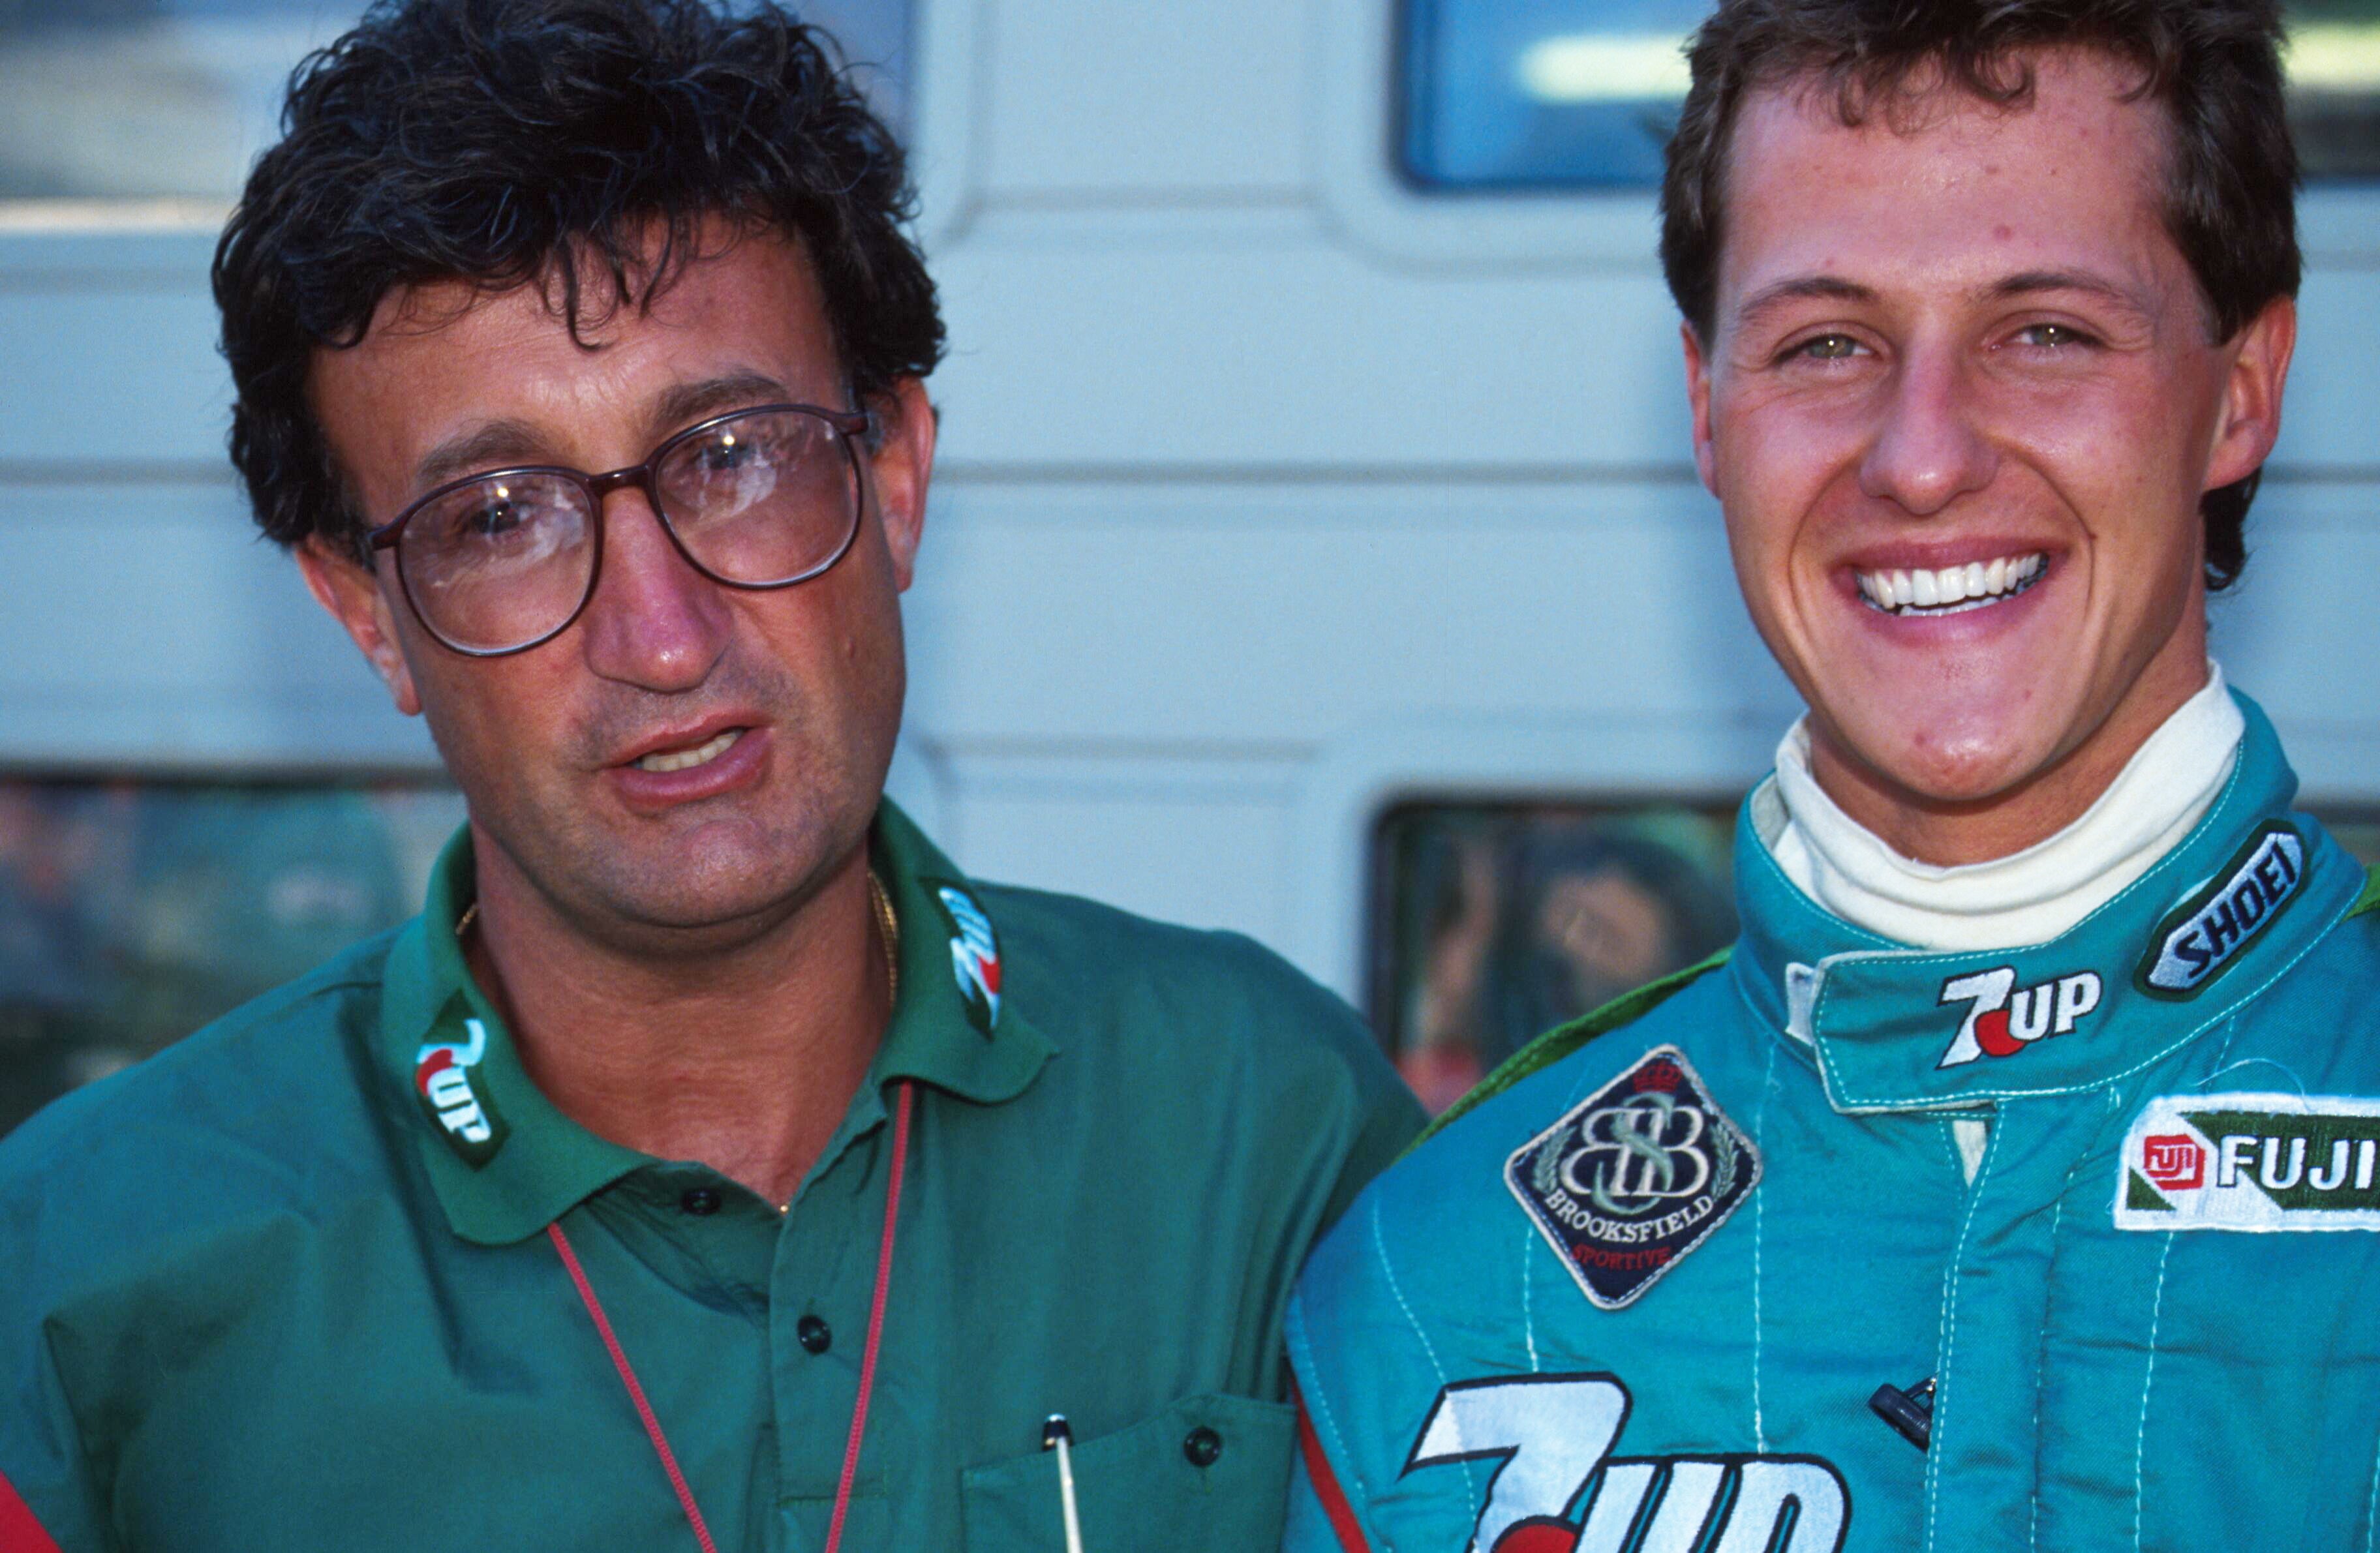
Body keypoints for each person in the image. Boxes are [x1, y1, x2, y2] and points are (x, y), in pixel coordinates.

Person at [0, 2, 1424, 1547]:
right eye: (498, 517)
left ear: (894, 478)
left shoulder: (1257, 1119)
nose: (660, 636)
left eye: (732, 455)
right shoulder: (88, 1266)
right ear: (366, 616)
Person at [1283, 2, 2380, 1548]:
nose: (1922, 457)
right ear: (1708, 408)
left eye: (2045, 330)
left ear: (2243, 388)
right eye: (1827, 343)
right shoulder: (1445, 1275)